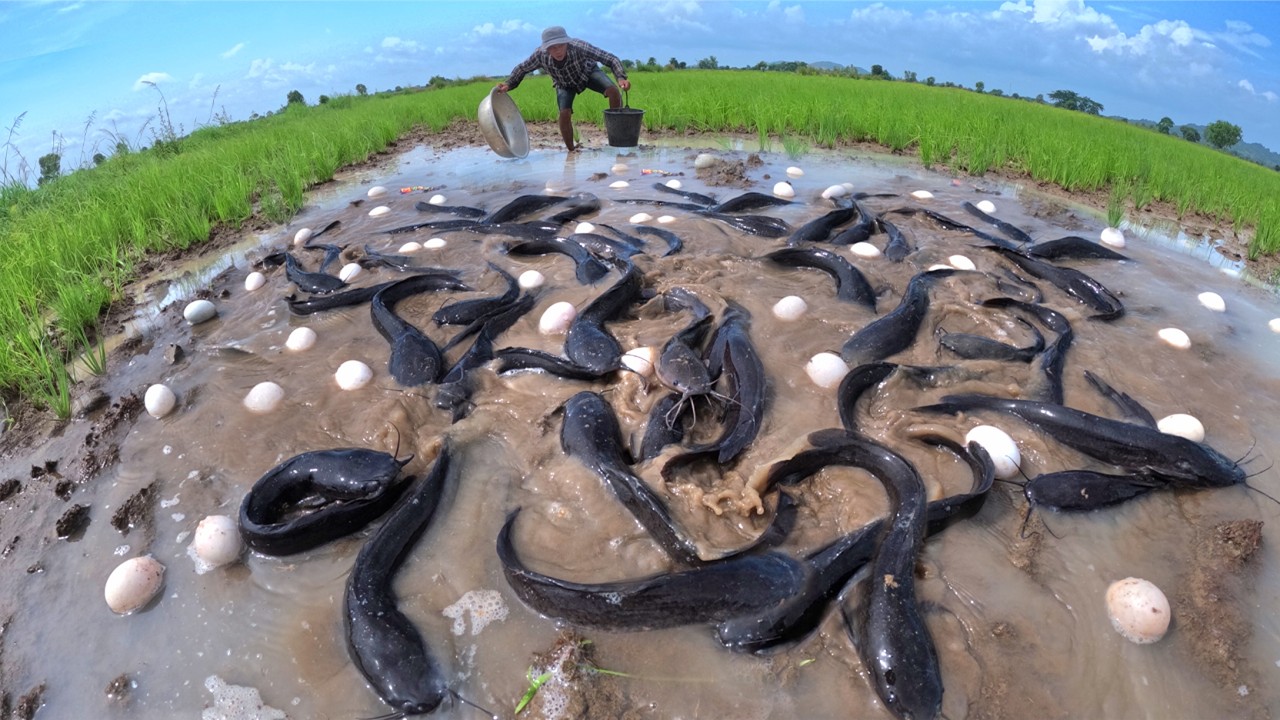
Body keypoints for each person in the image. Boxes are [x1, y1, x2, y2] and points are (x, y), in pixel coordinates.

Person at [496, 26, 631, 152]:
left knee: (613, 90)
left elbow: (609, 58)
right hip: (564, 83)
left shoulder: (579, 46)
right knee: (564, 113)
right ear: (546, 49)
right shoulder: (540, 55)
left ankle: (616, 133)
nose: (558, 51)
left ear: (567, 43)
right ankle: (571, 150)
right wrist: (509, 84)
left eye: (561, 46)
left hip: (587, 73)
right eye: (553, 48)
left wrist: (621, 77)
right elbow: (522, 69)